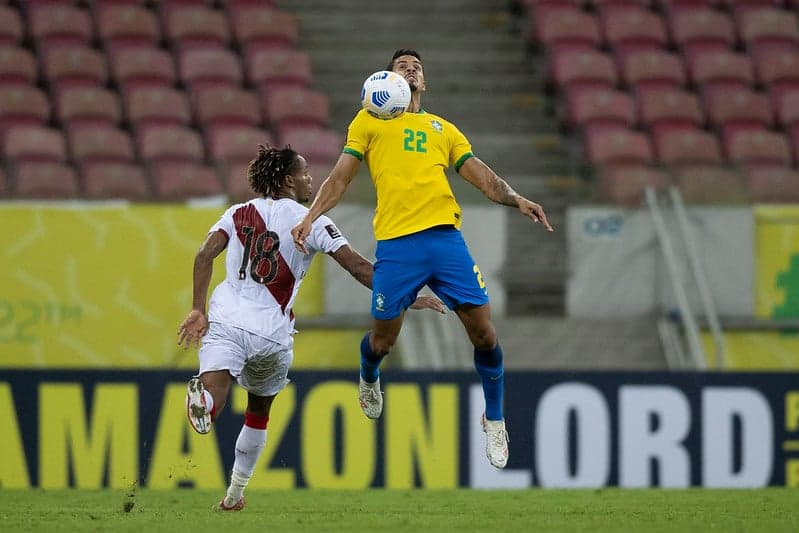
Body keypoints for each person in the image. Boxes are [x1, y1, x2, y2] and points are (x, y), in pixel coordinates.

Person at [291, 49, 554, 470]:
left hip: (446, 241)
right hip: (397, 246)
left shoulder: (443, 129)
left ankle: (495, 416)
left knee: (484, 334)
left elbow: (481, 175)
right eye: (401, 65)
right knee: (383, 341)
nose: (411, 68)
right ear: (387, 79)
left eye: (417, 66)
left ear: (423, 82)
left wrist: (516, 198)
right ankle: (368, 374)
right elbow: (339, 178)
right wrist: (309, 217)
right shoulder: (369, 120)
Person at [177, 144, 445, 511]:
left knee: (215, 392)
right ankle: (234, 495)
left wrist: (196, 308)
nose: (310, 179)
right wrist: (408, 295)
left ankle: (204, 403)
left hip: (225, 319)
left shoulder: (237, 213)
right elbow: (358, 267)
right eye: (304, 173)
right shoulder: (312, 221)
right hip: (271, 333)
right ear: (288, 180)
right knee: (258, 411)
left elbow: (204, 254)